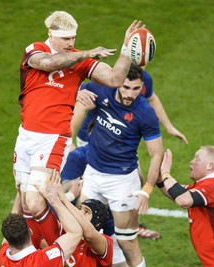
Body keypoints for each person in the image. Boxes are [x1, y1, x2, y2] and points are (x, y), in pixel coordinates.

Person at [12, 9, 145, 248]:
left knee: (34, 200)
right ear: (51, 34)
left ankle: (64, 253)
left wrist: (126, 49)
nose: (71, 43)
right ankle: (34, 253)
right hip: (26, 136)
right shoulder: (34, 50)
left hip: (53, 138)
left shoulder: (80, 61)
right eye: (65, 38)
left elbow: (115, 79)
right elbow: (48, 63)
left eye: (73, 38)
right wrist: (86, 53)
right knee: (23, 199)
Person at [71, 64, 164, 267]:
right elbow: (71, 89)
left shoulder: (145, 113)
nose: (130, 94)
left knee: (127, 242)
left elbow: (157, 154)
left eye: (136, 89)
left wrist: (147, 190)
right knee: (86, 234)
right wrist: (78, 98)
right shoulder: (99, 89)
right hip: (93, 175)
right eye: (125, 87)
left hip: (122, 183)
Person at [0, 171, 83, 267]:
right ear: (30, 232)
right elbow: (75, 233)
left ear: (8, 242)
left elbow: (11, 224)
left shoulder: (3, 257)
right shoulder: (42, 261)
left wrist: (20, 194)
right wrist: (56, 199)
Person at [36, 170, 113, 267]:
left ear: (97, 223)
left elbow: (89, 235)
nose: (80, 212)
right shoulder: (66, 233)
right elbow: (39, 214)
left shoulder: (106, 243)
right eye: (79, 208)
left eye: (86, 212)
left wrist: (63, 198)